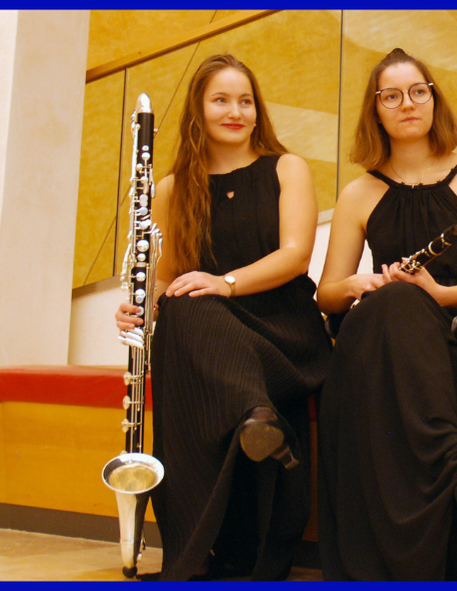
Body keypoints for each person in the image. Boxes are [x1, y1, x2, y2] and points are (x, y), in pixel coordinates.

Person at [114, 54, 331, 581]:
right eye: (221, 100)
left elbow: (296, 256)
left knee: (196, 306)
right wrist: (138, 307)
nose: (236, 112)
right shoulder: (172, 189)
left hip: (283, 334)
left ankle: (256, 414)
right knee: (180, 309)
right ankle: (254, 419)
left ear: (258, 110)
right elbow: (167, 278)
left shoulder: (287, 168)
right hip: (216, 339)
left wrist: (224, 282)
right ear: (198, 109)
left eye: (245, 101)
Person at [315, 48, 457, 581]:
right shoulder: (359, 192)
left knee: (404, 302)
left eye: (418, 91)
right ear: (375, 111)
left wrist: (435, 293)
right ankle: (453, 459)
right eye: (392, 96)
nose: (407, 103)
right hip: (385, 344)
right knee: (392, 304)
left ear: (434, 100)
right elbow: (327, 296)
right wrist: (358, 284)